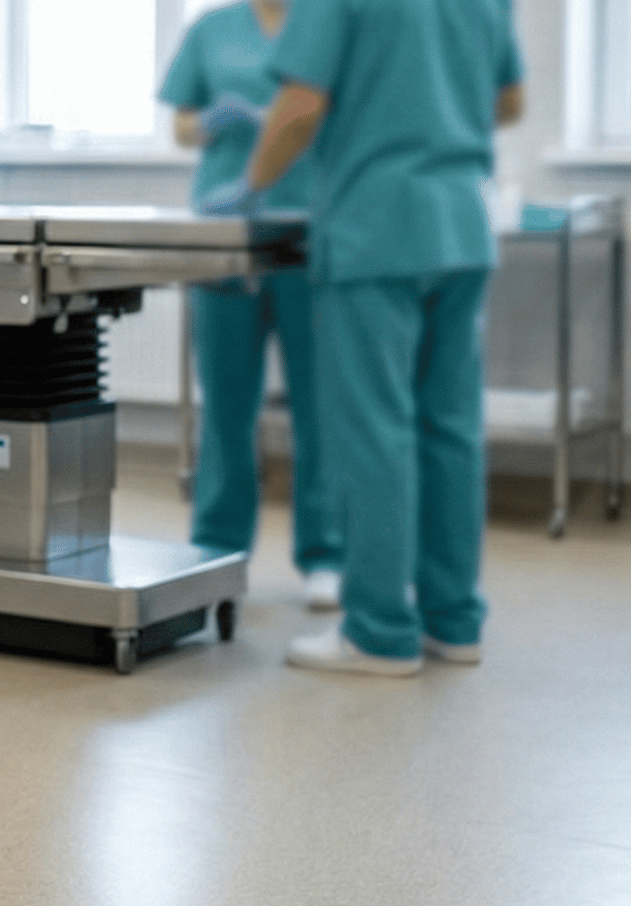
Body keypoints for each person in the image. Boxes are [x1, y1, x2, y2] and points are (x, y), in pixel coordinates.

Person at [204, 0, 524, 676]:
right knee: (453, 430)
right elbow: (511, 101)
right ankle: (454, 621)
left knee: (375, 430)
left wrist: (250, 187)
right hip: (463, 223)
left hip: (376, 227)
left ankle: (380, 632)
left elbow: (299, 105)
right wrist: (438, 127)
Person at [162, 0, 342, 610]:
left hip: (308, 227)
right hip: (226, 229)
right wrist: (212, 122)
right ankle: (217, 550)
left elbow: (340, 111)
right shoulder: (211, 29)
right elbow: (180, 124)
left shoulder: (325, 21)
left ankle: (326, 553)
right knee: (226, 402)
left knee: (318, 402)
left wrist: (285, 123)